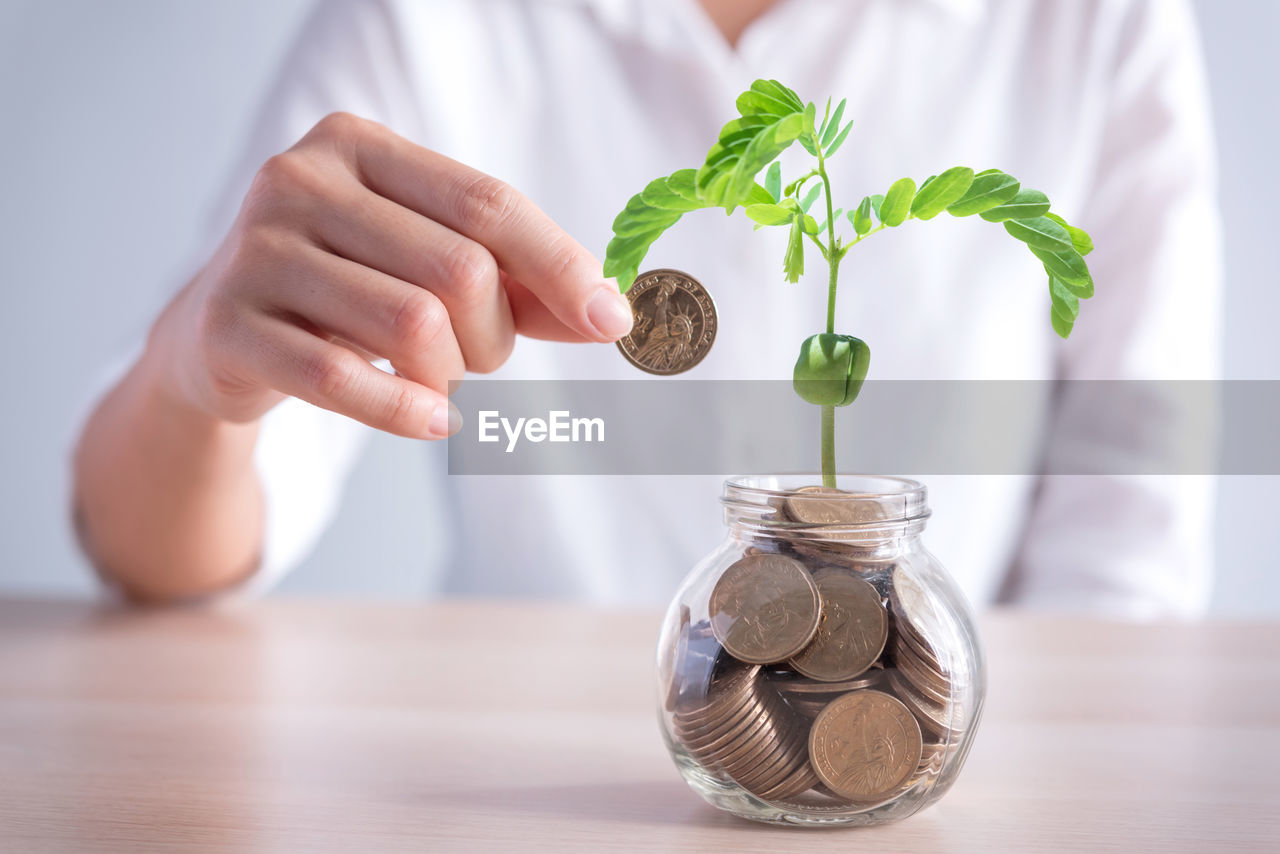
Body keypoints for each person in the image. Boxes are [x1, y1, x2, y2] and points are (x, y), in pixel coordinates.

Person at [71, 0, 1222, 616]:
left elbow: (1125, 564)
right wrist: (194, 376)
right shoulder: (426, 21)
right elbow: (161, 550)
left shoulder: (1096, 19)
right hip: (508, 780)